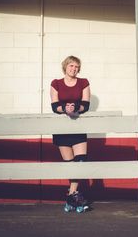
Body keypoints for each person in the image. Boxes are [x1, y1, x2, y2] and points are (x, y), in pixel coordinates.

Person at [50, 55, 90, 211]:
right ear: (65, 66)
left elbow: (86, 104)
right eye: (72, 66)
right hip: (62, 129)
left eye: (77, 67)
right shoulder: (56, 83)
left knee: (80, 162)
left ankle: (71, 195)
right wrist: (65, 110)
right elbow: (54, 106)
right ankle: (74, 198)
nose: (75, 69)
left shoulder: (84, 82)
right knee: (70, 165)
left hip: (78, 125)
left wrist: (76, 110)